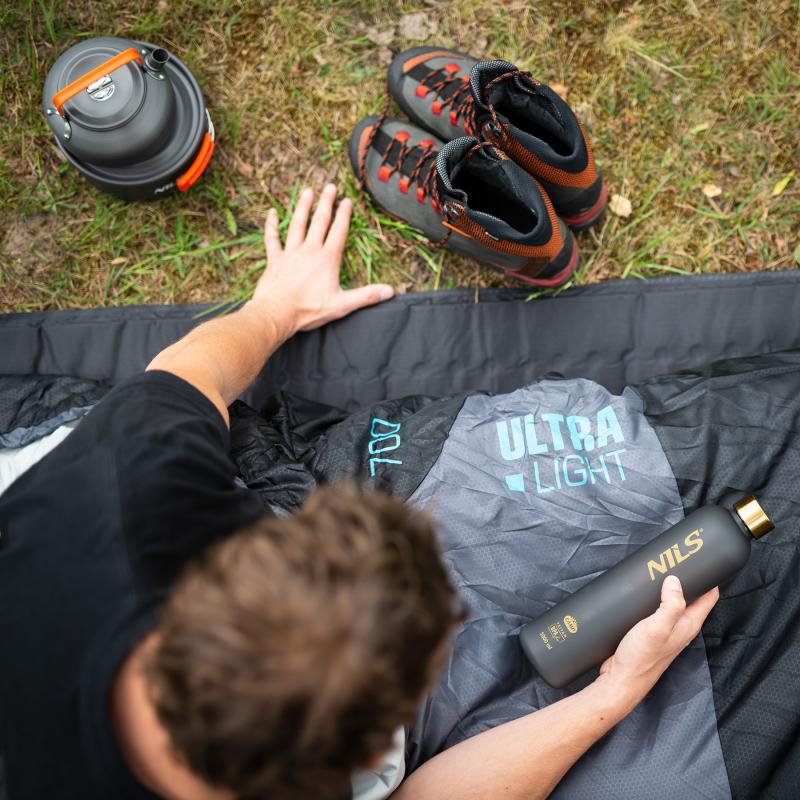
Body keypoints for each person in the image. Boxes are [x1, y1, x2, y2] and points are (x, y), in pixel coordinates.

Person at [0, 184, 719, 800]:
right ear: (363, 755)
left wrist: (279, 307)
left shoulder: (117, 488)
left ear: (220, 567)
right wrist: (612, 696)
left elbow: (189, 374)